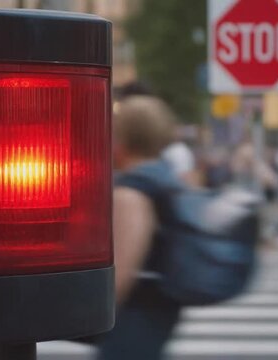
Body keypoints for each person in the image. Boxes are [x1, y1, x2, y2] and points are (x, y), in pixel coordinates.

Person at [97, 95, 180, 360]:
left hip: (135, 314)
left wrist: (89, 317)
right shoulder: (163, 175)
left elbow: (121, 273)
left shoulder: (132, 191)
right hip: (157, 309)